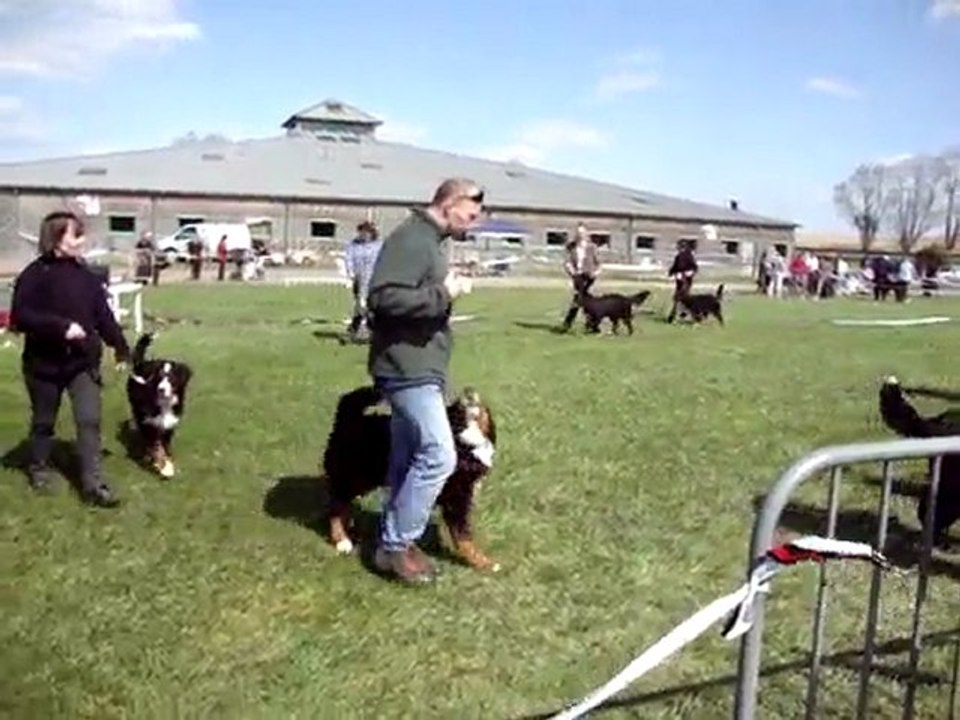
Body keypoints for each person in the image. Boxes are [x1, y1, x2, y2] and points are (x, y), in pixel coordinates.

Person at [365, 178, 482, 585]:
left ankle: (387, 545)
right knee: (438, 456)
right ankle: (399, 545)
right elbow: (381, 298)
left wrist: (444, 292)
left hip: (419, 364)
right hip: (406, 368)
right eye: (470, 214)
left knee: (407, 458)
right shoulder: (413, 238)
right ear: (450, 204)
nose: (473, 223)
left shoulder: (430, 241)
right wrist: (443, 294)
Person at [9, 211, 131, 507]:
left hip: (82, 363)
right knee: (44, 421)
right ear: (56, 240)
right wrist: (61, 328)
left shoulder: (87, 277)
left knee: (89, 420)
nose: (82, 240)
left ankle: (94, 485)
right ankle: (38, 467)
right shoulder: (34, 275)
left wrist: (120, 346)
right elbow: (21, 317)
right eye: (76, 234)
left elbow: (103, 316)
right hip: (43, 366)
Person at [344, 222, 383, 343]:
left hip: (375, 279)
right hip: (359, 279)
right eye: (361, 232)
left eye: (365, 232)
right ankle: (356, 329)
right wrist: (351, 273)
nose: (363, 235)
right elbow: (349, 259)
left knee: (371, 305)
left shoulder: (378, 245)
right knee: (360, 304)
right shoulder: (353, 245)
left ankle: (371, 329)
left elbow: (382, 260)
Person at [559, 224, 601, 332]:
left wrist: (596, 272)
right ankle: (587, 324)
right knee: (579, 299)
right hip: (578, 277)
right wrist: (571, 271)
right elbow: (567, 262)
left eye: (582, 232)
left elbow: (598, 263)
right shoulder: (571, 247)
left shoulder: (592, 247)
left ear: (586, 234)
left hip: (589, 276)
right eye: (578, 232)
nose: (580, 235)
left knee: (584, 300)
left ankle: (586, 324)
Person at [666, 239, 698, 322]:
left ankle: (676, 315)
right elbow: (675, 266)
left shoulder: (688, 255)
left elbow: (694, 267)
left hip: (685, 280)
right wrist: (672, 273)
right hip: (680, 280)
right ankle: (680, 313)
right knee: (680, 297)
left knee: (680, 297)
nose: (677, 247)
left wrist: (688, 273)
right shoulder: (679, 256)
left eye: (679, 246)